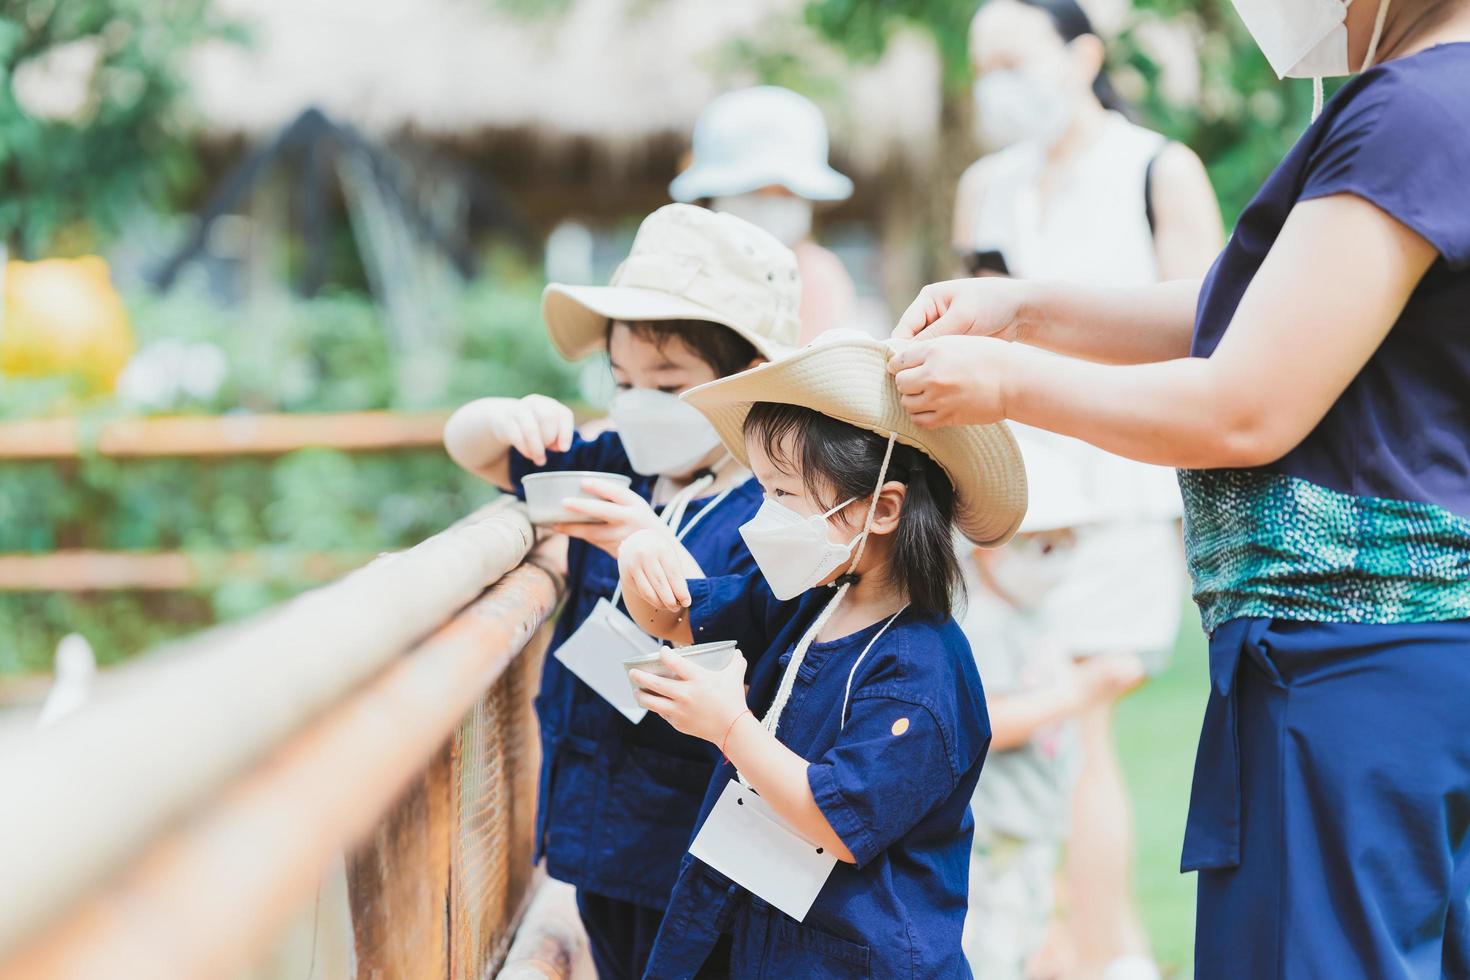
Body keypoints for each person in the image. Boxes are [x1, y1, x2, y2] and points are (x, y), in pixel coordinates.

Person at [888, 1, 1470, 976]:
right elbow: (1245, 313)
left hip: (1346, 661)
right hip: (1414, 661)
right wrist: (1022, 310)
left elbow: (1245, 405)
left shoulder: (1408, 109)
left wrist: (1007, 386)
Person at [442, 203, 799, 980]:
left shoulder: (777, 509)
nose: (639, 402)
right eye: (623, 379)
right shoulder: (616, 464)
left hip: (691, 848)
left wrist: (649, 547)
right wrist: (504, 417)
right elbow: (472, 449)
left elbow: (753, 648)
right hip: (596, 840)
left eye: (668, 384)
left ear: (747, 386)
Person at [614, 332, 1028, 977]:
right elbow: (674, 616)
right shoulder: (808, 597)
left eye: (784, 494)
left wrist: (728, 726)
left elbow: (837, 820)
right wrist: (640, 558)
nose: (763, 516)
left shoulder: (922, 669)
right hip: (754, 938)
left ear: (882, 509)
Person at [961, 4, 1225, 976]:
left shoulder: (1158, 167)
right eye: (982, 64)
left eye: (1013, 58)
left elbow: (1208, 330)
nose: (995, 81)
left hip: (1118, 490)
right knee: (1008, 727)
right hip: (1001, 498)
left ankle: (1109, 953)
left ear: (1083, 55)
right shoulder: (985, 187)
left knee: (1084, 725)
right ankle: (1037, 946)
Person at [961, 435, 1146, 979]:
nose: (1055, 560)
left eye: (1068, 544)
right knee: (988, 954)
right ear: (987, 543)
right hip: (989, 835)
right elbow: (983, 723)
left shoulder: (1031, 614)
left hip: (1029, 826)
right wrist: (1080, 693)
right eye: (1042, 544)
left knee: (1025, 945)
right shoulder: (981, 624)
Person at [670, 85, 857, 344]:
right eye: (752, 192)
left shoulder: (818, 276)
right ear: (711, 197)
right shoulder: (676, 273)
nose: (770, 206)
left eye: (786, 194)